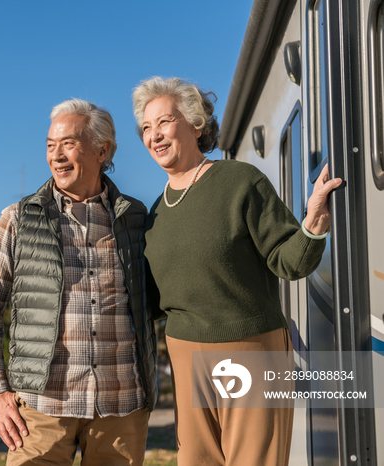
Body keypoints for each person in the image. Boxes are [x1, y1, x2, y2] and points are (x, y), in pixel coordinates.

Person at [131, 76, 341, 466]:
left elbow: (287, 259)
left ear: (195, 123)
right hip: (184, 351)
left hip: (249, 346)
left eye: (164, 121)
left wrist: (312, 224)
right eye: (146, 127)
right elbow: (153, 300)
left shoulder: (239, 181)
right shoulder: (153, 213)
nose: (154, 135)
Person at [0, 98, 158, 466]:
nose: (56, 156)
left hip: (121, 408)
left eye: (68, 144)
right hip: (41, 409)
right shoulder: (18, 218)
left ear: (102, 150)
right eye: (50, 146)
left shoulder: (136, 217)